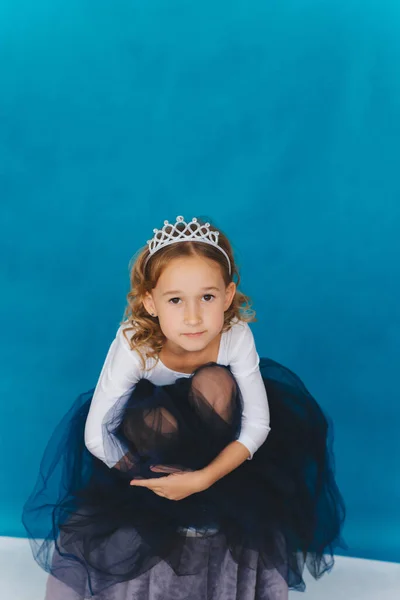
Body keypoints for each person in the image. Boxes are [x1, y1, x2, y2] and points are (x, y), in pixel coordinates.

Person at [22, 215, 347, 600]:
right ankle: (166, 492)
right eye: (175, 300)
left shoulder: (234, 334)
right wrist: (143, 477)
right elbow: (97, 435)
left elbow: (258, 424)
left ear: (227, 297)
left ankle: (205, 495)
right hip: (152, 438)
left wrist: (202, 479)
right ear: (151, 302)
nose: (193, 317)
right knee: (155, 418)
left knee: (215, 381)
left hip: (217, 430)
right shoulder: (134, 342)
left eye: (207, 298)